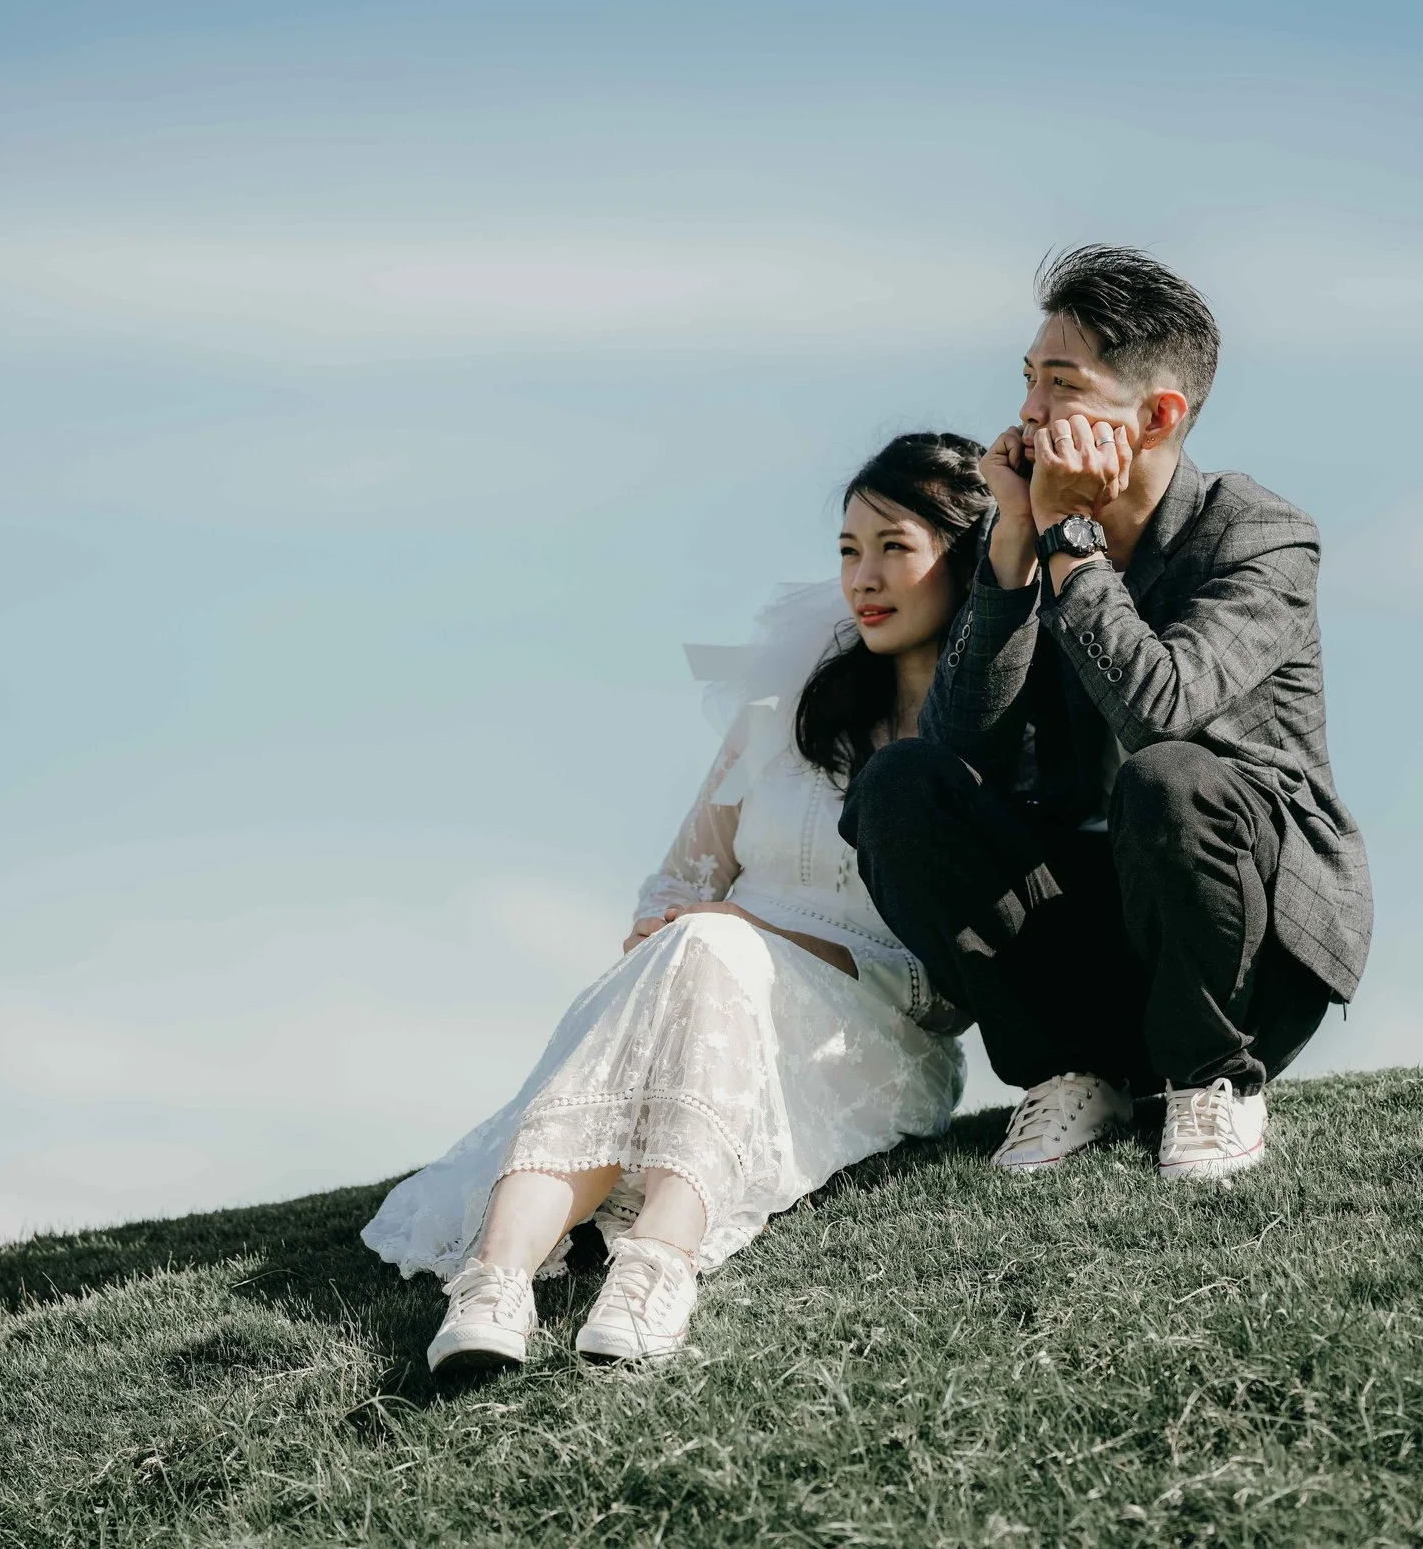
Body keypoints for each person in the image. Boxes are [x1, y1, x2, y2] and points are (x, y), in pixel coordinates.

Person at [363, 433, 991, 1373]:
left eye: (894, 547)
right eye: (847, 550)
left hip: (865, 1027)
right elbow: (677, 883)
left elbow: (950, 992)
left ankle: (656, 1267)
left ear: (966, 557)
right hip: (696, 974)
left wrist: (739, 933)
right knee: (698, 950)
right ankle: (494, 1283)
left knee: (712, 948)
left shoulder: (984, 741)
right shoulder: (783, 712)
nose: (863, 578)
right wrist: (674, 928)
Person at [841, 246, 1373, 1184]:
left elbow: (1158, 712)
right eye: (1027, 379)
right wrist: (1013, 544)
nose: (1029, 412)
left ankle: (1212, 1079)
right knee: (902, 781)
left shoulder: (1260, 535)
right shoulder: (1025, 526)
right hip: (1088, 933)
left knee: (1169, 776)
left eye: (1062, 386)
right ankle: (1070, 1073)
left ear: (1157, 416)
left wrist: (1071, 544)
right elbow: (961, 742)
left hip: (1247, 949)